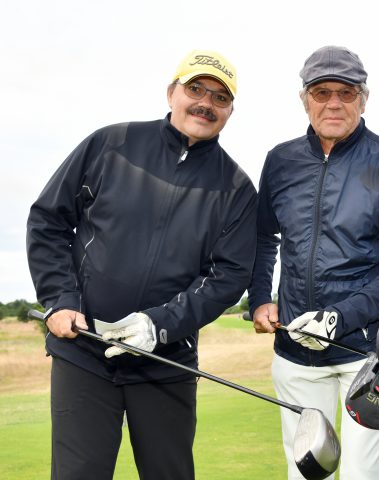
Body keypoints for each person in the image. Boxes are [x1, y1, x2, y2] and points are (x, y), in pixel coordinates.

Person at [26, 50, 257, 480]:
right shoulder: (111, 143)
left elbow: (229, 276)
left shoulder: (237, 188)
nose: (206, 102)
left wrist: (159, 325)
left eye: (220, 97)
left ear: (229, 112)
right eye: (195, 89)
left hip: (166, 362)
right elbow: (48, 220)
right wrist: (60, 298)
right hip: (84, 352)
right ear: (172, 92)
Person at [249, 45, 379, 480]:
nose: (333, 103)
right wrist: (258, 297)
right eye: (321, 92)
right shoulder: (280, 160)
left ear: (364, 99)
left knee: (363, 474)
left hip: (362, 352)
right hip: (295, 351)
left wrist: (338, 316)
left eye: (346, 93)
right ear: (304, 98)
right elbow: (263, 235)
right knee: (306, 472)